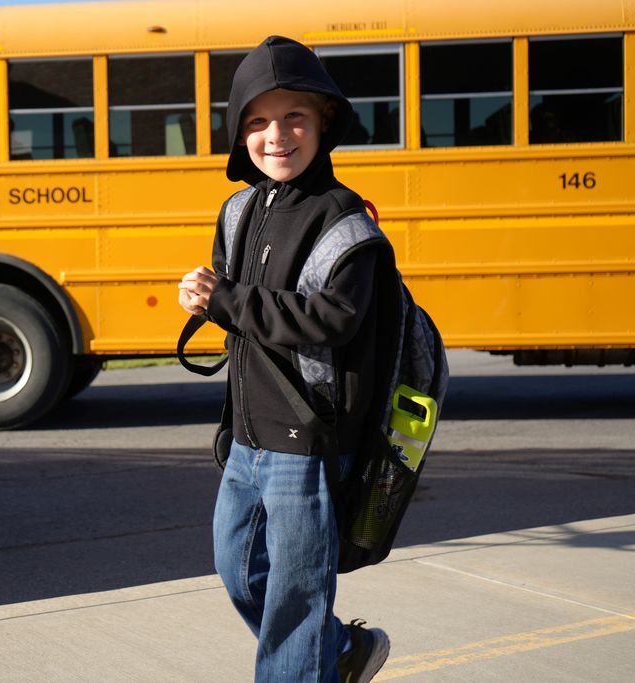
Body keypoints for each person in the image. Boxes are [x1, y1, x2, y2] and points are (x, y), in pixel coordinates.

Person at [178, 36, 390, 682]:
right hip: (246, 435)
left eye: (294, 116)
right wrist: (207, 299)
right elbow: (239, 310)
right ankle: (339, 650)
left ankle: (310, 659)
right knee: (238, 568)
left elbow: (332, 319)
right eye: (258, 120)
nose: (277, 135)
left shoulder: (347, 223)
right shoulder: (239, 209)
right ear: (239, 131)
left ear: (324, 121)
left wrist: (228, 299)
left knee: (294, 602)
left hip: (308, 441)